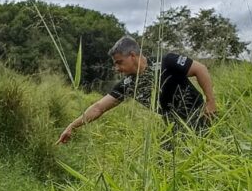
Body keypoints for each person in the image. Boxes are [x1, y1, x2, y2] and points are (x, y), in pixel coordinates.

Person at [56, 36, 217, 145]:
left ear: (132, 55)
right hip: (173, 125)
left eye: (119, 62)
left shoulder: (167, 62)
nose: (117, 68)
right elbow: (99, 107)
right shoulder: (128, 84)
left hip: (199, 117)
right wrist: (72, 126)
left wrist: (210, 102)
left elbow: (200, 69)